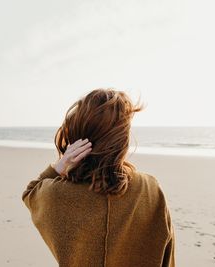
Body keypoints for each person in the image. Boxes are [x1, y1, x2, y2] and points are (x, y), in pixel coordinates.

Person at [22, 88, 175, 267]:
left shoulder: (55, 195)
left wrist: (60, 165)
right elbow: (167, 256)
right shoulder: (150, 189)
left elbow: (30, 193)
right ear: (121, 140)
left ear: (77, 139)